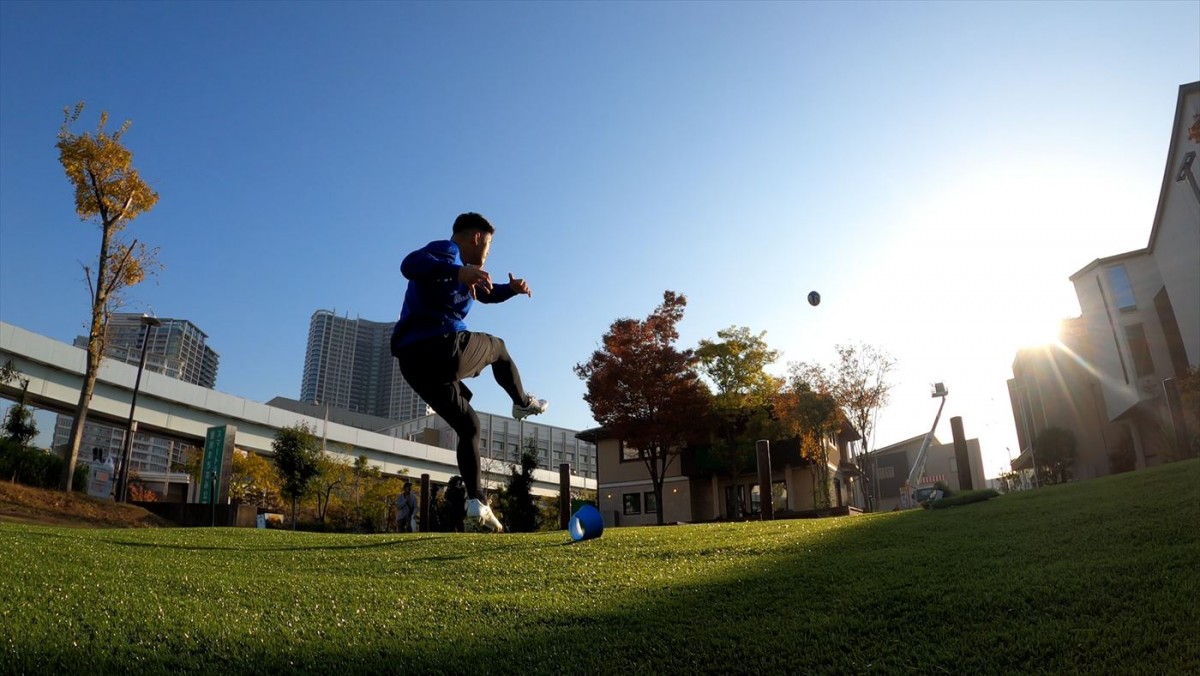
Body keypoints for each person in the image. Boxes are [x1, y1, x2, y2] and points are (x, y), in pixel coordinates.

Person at [390, 212, 548, 533]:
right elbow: (409, 265)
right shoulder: (444, 252)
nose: (488, 253)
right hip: (437, 346)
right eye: (488, 245)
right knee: (499, 348)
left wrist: (512, 289)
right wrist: (458, 271)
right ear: (476, 237)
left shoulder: (472, 274)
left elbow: (488, 292)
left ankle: (477, 505)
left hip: (417, 366)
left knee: (469, 425)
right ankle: (521, 402)